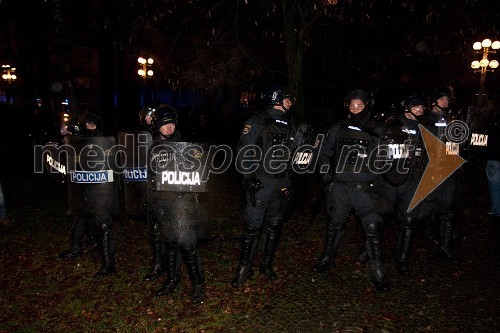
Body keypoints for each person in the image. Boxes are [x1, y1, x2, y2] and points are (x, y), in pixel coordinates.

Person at [312, 88, 390, 292]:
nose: (355, 109)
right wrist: (326, 174)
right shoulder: (337, 128)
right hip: (341, 188)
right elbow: (325, 153)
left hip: (366, 190)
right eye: (352, 105)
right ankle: (327, 257)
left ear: (367, 106)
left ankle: (377, 268)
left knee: (373, 228)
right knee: (335, 223)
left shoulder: (379, 130)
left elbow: (389, 160)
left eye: (360, 105)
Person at [231, 88, 296, 288]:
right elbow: (243, 151)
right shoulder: (257, 122)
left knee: (275, 224)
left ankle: (266, 265)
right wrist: (248, 177)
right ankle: (244, 267)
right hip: (262, 181)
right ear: (277, 99)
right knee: (252, 226)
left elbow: (295, 156)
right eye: (288, 99)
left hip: (282, 182)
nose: (291, 102)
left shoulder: (291, 125)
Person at [149, 104, 205, 304]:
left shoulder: (185, 145)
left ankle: (198, 285)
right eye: (165, 124)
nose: (169, 128)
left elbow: (198, 173)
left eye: (172, 123)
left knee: (187, 244)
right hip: (163, 204)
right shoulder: (152, 146)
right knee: (171, 243)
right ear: (157, 125)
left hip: (183, 203)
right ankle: (173, 280)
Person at [60, 113, 119, 278]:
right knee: (78, 217)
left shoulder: (106, 143)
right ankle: (76, 248)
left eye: (93, 125)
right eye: (88, 125)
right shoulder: (80, 141)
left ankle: (109, 264)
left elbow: (115, 167)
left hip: (101, 191)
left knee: (103, 225)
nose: (90, 127)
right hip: (83, 188)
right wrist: (69, 142)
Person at [382, 94, 428, 275]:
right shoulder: (393, 124)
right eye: (417, 106)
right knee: (381, 216)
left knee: (409, 220)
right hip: (392, 180)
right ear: (408, 108)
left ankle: (402, 258)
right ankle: (369, 252)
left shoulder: (425, 128)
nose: (421, 110)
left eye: (422, 107)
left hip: (413, 181)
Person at [421, 86, 462, 259]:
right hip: (429, 170)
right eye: (442, 98)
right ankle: (430, 236)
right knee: (428, 207)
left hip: (448, 171)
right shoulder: (423, 120)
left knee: (448, 206)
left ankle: (446, 245)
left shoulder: (453, 119)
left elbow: (458, 143)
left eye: (447, 99)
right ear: (434, 101)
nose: (446, 101)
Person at [486, 113, 500, 261]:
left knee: (495, 187)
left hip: (494, 159)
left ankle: (496, 210)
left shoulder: (493, 126)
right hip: (495, 159)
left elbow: (488, 143)